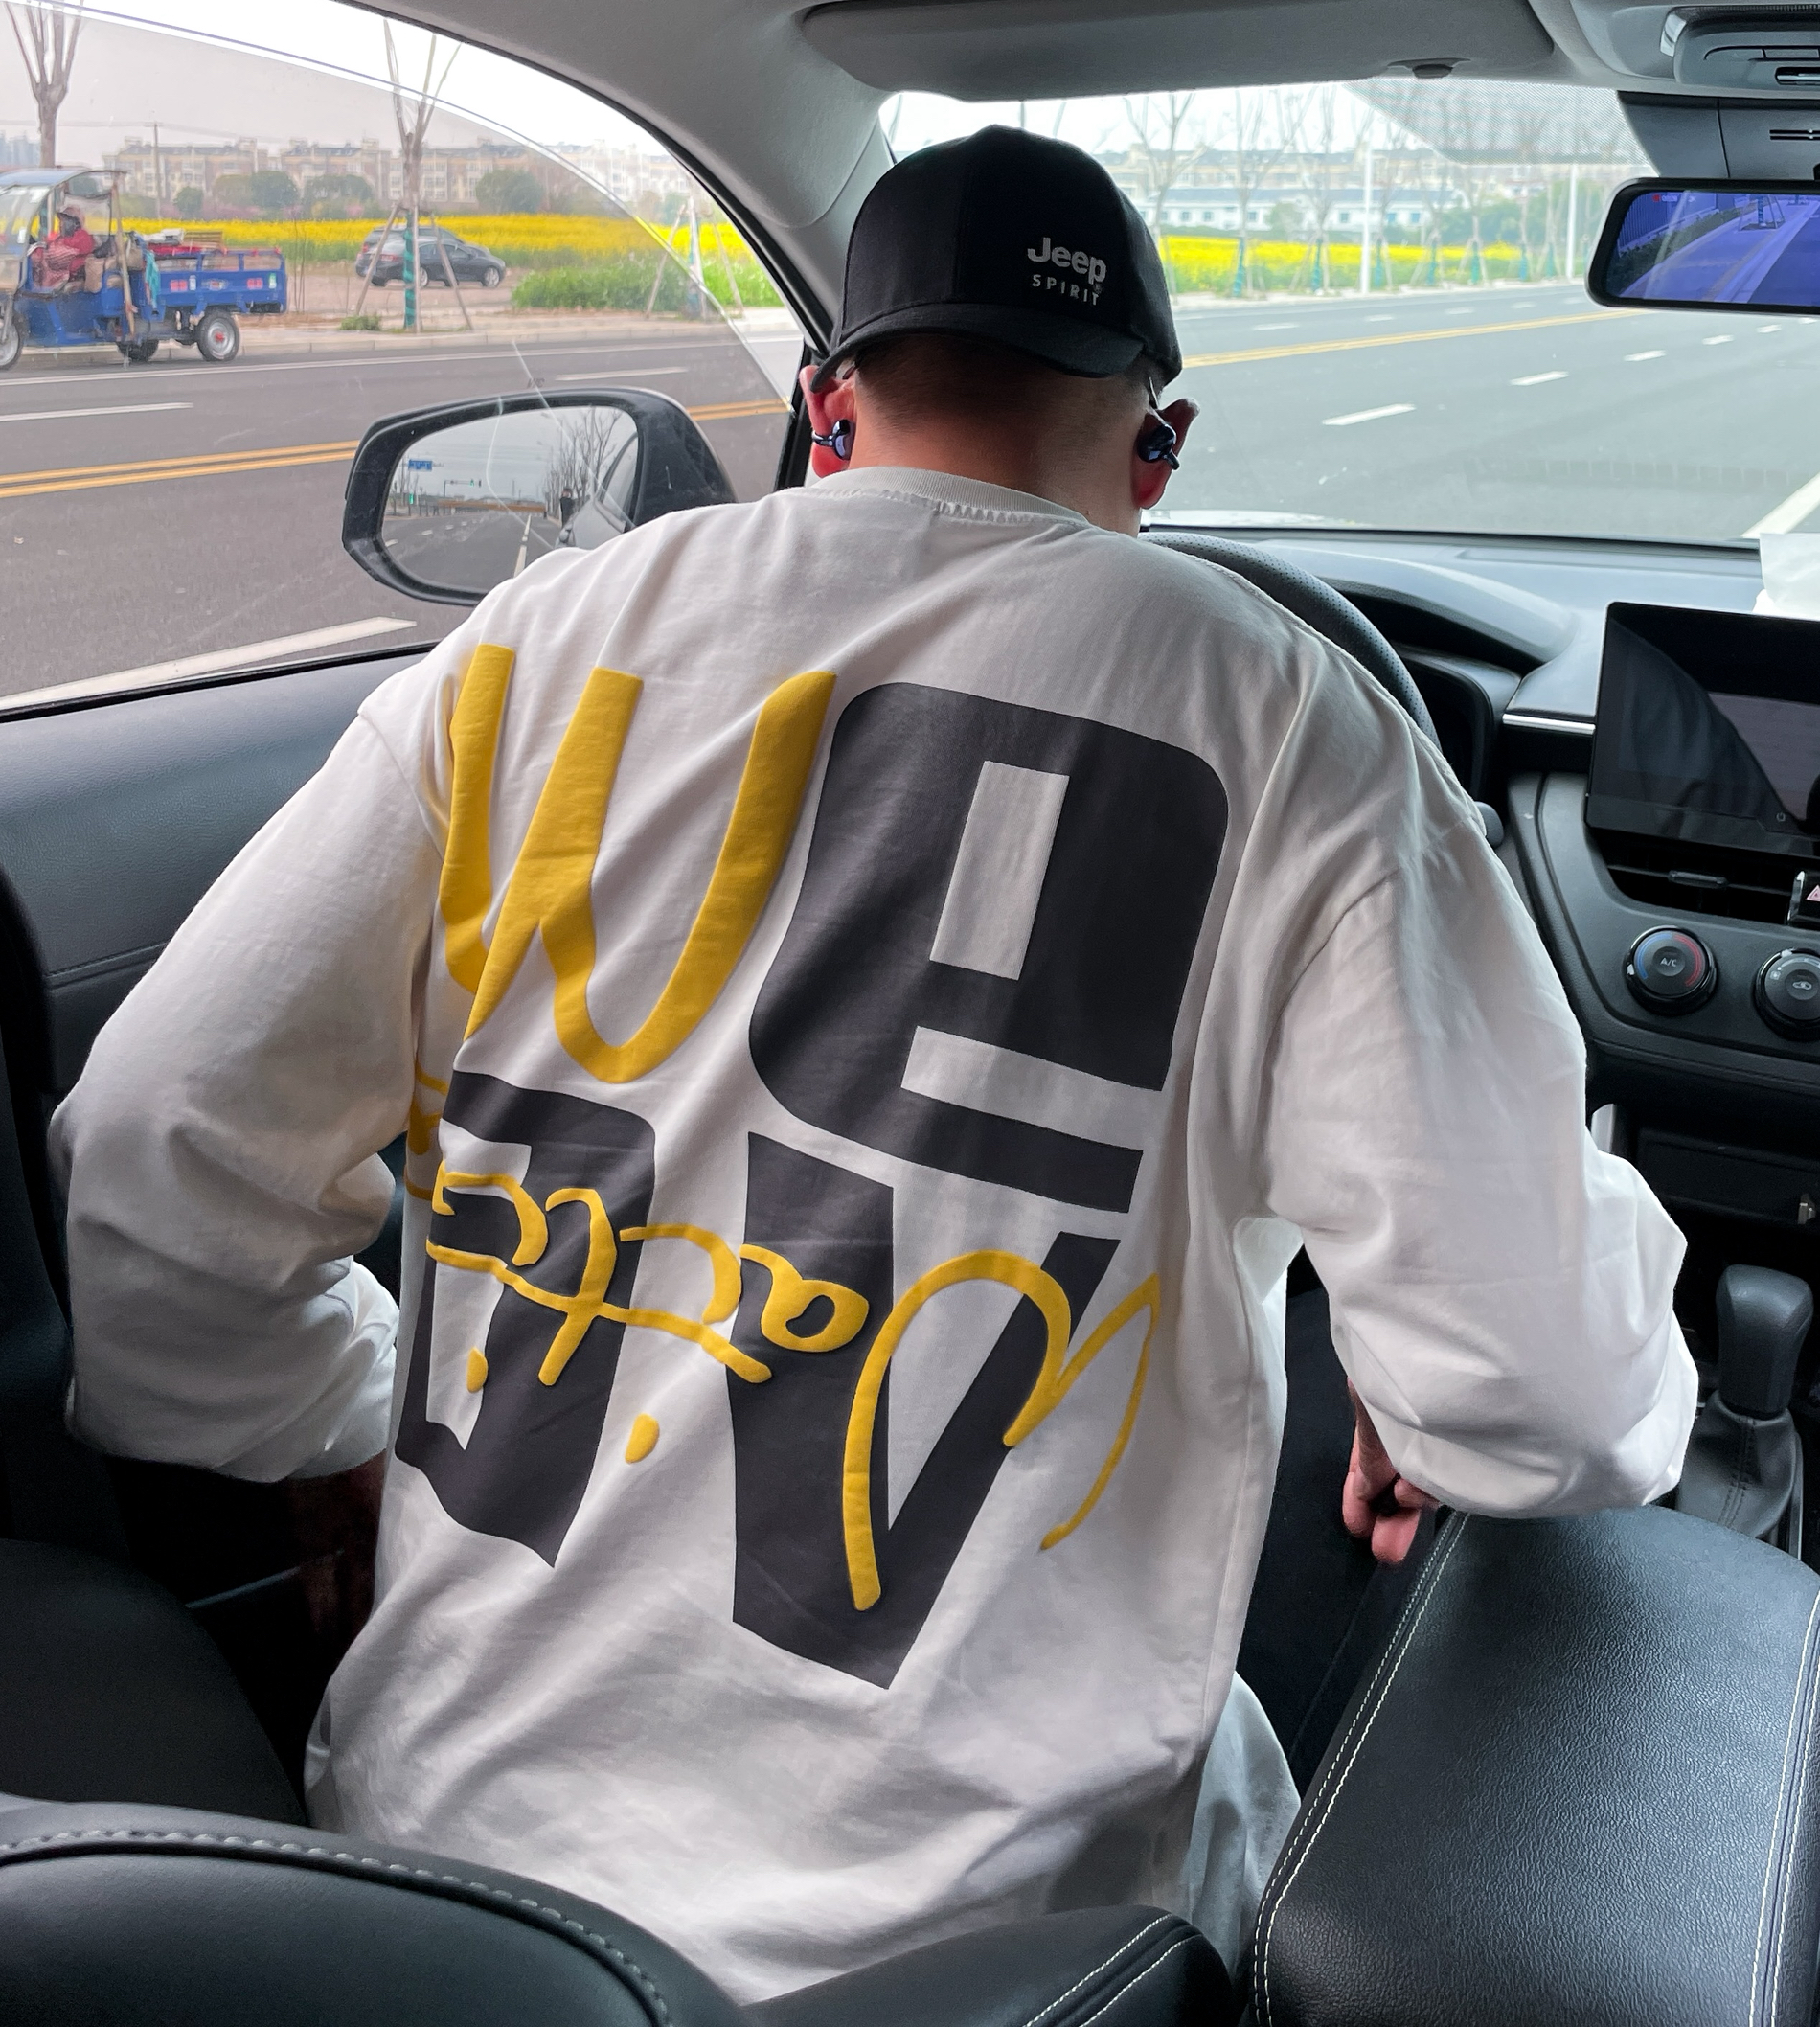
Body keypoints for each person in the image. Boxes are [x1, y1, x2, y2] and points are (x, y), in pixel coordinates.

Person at [53, 125, 1695, 2001]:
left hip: (443, 1897)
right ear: (1155, 453)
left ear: (829, 412)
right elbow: (1544, 1395)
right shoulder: (1286, 716)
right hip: (984, 1949)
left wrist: (330, 1428)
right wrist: (1431, 1372)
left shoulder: (525, 647)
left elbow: (158, 1151)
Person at [33, 206, 96, 289]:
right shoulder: (60, 237)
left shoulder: (82, 237)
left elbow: (57, 256)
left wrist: (47, 248)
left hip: (68, 277)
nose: (61, 224)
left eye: (63, 221)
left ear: (73, 222)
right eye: (61, 221)